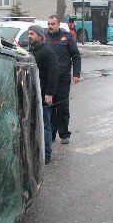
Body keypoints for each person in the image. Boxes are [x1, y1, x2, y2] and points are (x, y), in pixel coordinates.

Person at [46, 14, 81, 144]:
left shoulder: (67, 37)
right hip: (48, 79)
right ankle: (51, 134)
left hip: (62, 78)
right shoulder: (44, 37)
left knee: (62, 107)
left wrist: (76, 73)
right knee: (49, 107)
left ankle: (64, 134)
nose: (50, 26)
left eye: (53, 24)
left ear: (58, 25)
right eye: (49, 24)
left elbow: (76, 56)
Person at [27, 25, 59, 165]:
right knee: (34, 124)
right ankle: (36, 152)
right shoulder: (31, 52)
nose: (29, 36)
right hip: (32, 94)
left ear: (40, 36)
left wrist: (49, 93)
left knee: (45, 124)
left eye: (32, 33)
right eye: (28, 33)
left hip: (44, 94)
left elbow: (53, 73)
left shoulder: (47, 52)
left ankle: (46, 154)